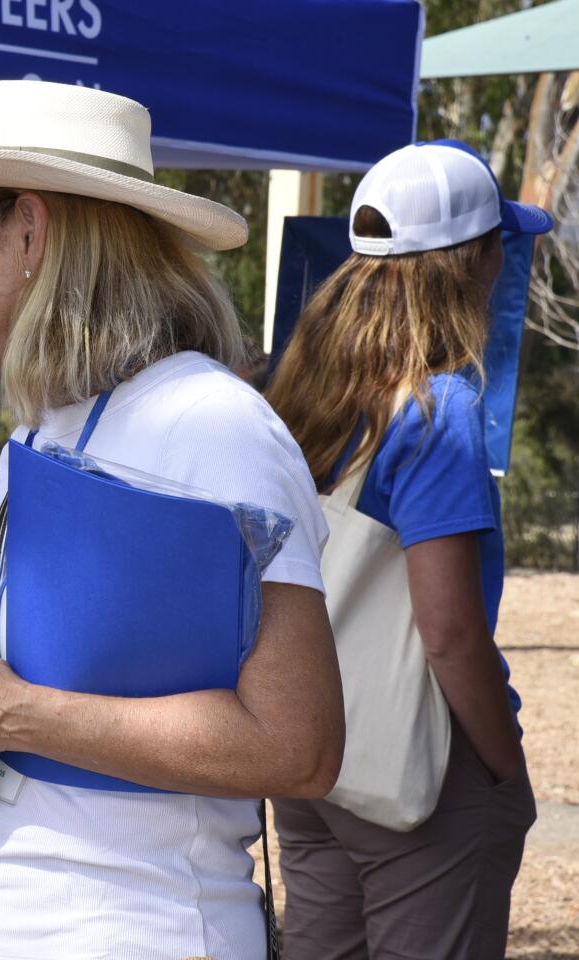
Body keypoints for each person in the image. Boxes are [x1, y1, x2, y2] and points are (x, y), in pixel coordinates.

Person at [0, 80, 345, 960]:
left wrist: (11, 713)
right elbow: (24, 769)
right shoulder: (43, 434)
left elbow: (297, 744)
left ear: (31, 234)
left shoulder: (213, 428)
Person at [265, 140, 547, 959]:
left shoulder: (304, 391)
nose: (505, 261)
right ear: (471, 261)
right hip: (419, 765)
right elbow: (450, 630)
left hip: (314, 750)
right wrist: (504, 775)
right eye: (502, 242)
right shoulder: (438, 411)